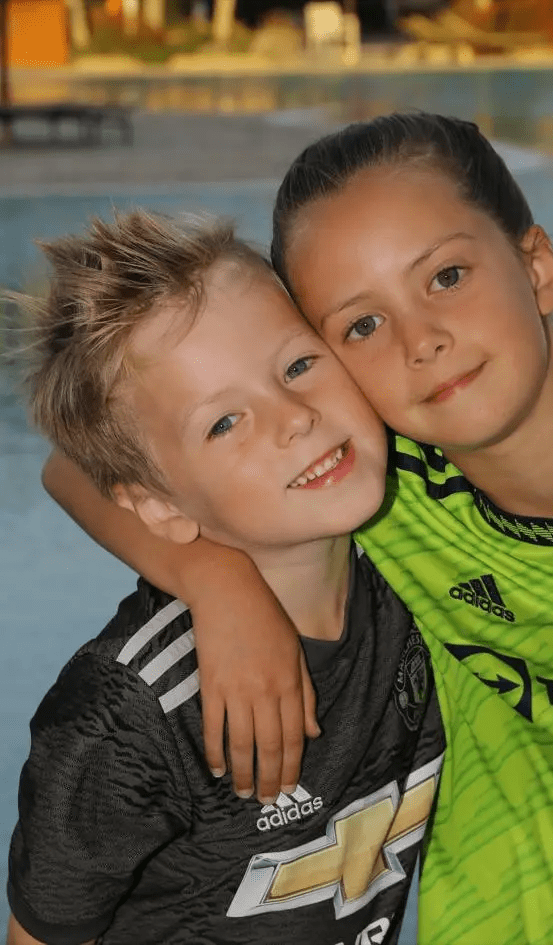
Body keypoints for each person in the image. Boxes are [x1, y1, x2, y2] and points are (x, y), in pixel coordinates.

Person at [39, 113, 553, 945]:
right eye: (359, 326)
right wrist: (217, 582)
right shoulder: (382, 495)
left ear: (537, 265)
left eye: (448, 275)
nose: (421, 341)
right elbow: (74, 466)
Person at [6, 210, 446, 945]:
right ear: (156, 505)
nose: (294, 419)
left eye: (299, 365)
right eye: (224, 422)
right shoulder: (129, 717)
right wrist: (213, 580)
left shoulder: (424, 565)